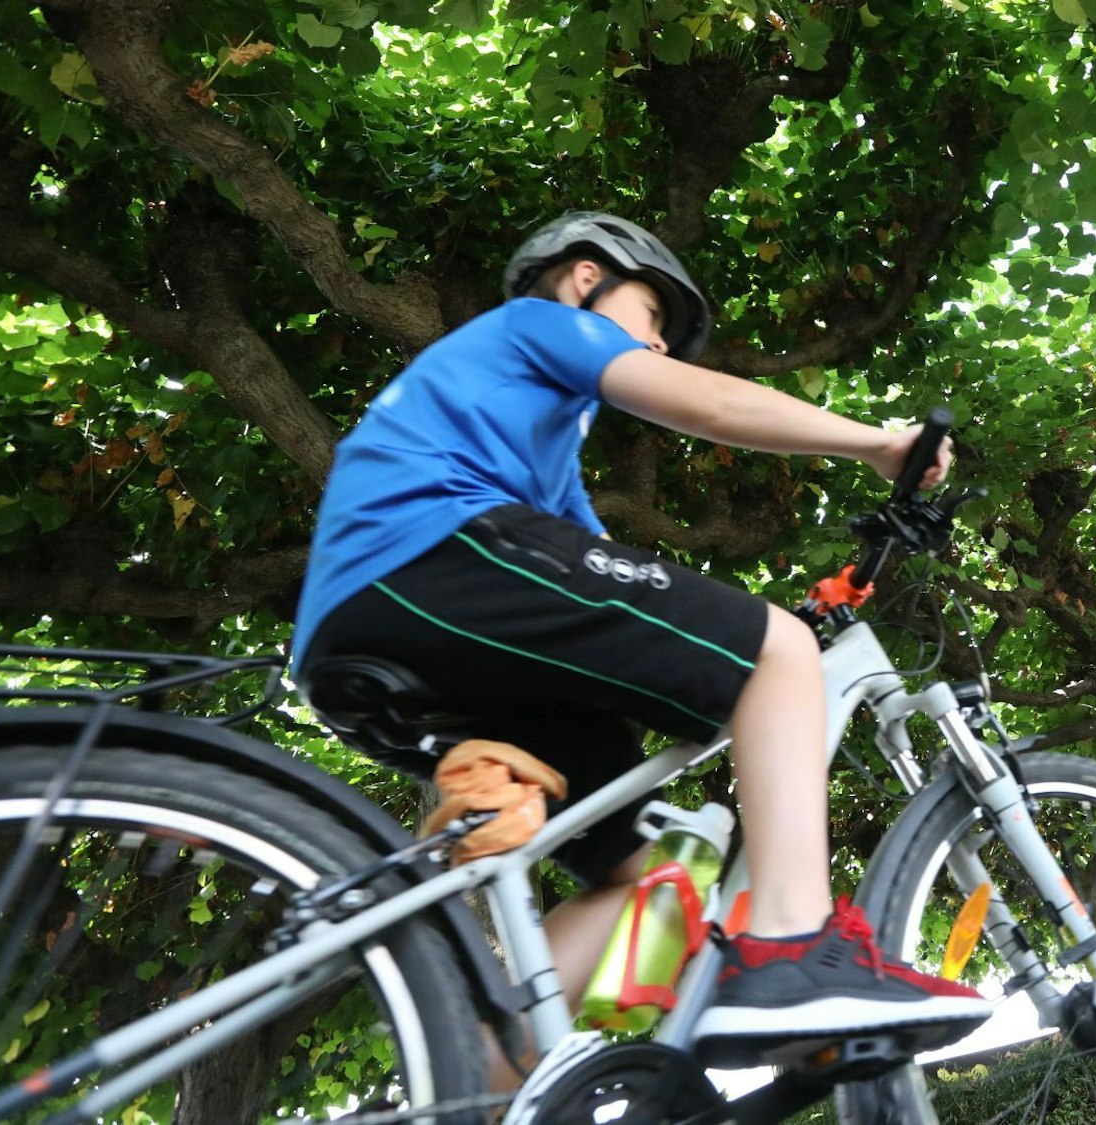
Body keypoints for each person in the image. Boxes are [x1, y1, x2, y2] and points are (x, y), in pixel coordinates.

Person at [290, 211, 987, 1070]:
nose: (659, 348)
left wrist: (765, 660)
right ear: (587, 278)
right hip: (429, 559)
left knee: (651, 881)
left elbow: (609, 583)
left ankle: (476, 1086)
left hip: (378, 640)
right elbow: (712, 404)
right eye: (653, 317)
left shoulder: (537, 459)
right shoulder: (538, 321)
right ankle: (790, 952)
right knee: (773, 649)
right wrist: (878, 443)